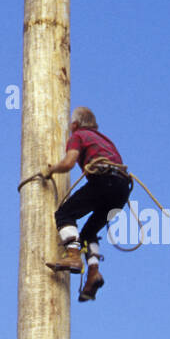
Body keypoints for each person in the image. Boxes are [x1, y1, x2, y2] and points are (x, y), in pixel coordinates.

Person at [40, 107, 131, 302]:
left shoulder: (78, 135)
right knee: (89, 233)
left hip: (104, 180)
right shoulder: (104, 140)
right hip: (122, 188)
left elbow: (69, 163)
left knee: (65, 214)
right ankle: (93, 273)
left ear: (74, 124)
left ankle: (73, 255)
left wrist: (50, 170)